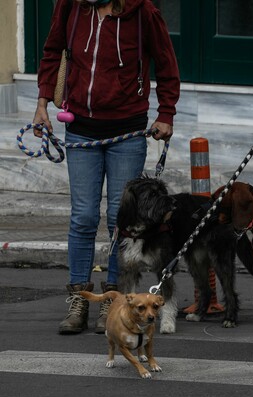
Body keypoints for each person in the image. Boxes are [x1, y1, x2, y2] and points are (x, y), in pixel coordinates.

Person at [33, 0, 180, 334]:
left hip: (127, 129)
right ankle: (79, 299)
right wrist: (42, 104)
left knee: (120, 216)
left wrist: (166, 113)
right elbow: (53, 51)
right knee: (83, 216)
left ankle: (115, 300)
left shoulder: (143, 12)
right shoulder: (70, 6)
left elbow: (167, 63)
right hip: (80, 127)